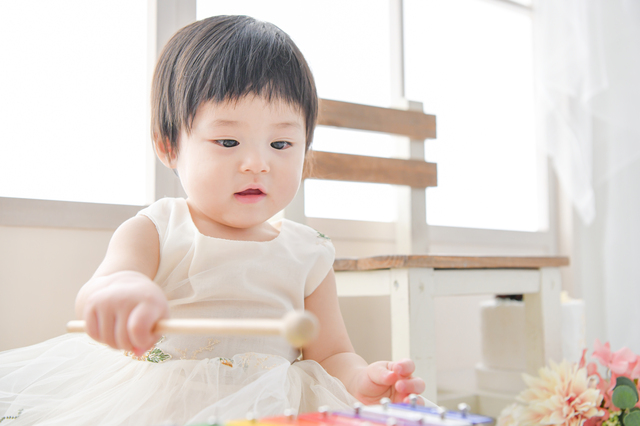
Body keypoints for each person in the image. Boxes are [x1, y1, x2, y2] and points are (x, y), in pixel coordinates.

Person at [0, 15, 427, 426]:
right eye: (227, 140)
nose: (257, 163)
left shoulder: (308, 252)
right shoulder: (158, 228)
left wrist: (362, 381)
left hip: (272, 407)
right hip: (164, 404)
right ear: (169, 146)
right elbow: (103, 287)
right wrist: (122, 292)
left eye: (281, 143)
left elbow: (331, 354)